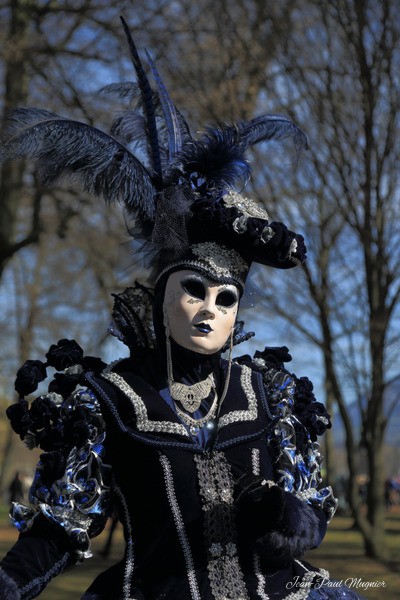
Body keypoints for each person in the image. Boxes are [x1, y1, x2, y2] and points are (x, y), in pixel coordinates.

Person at [0, 17, 365, 600]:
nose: (209, 310)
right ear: (164, 294)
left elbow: (313, 511)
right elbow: (60, 527)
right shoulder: (111, 403)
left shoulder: (267, 394)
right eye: (193, 291)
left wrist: (282, 521)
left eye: (226, 300)